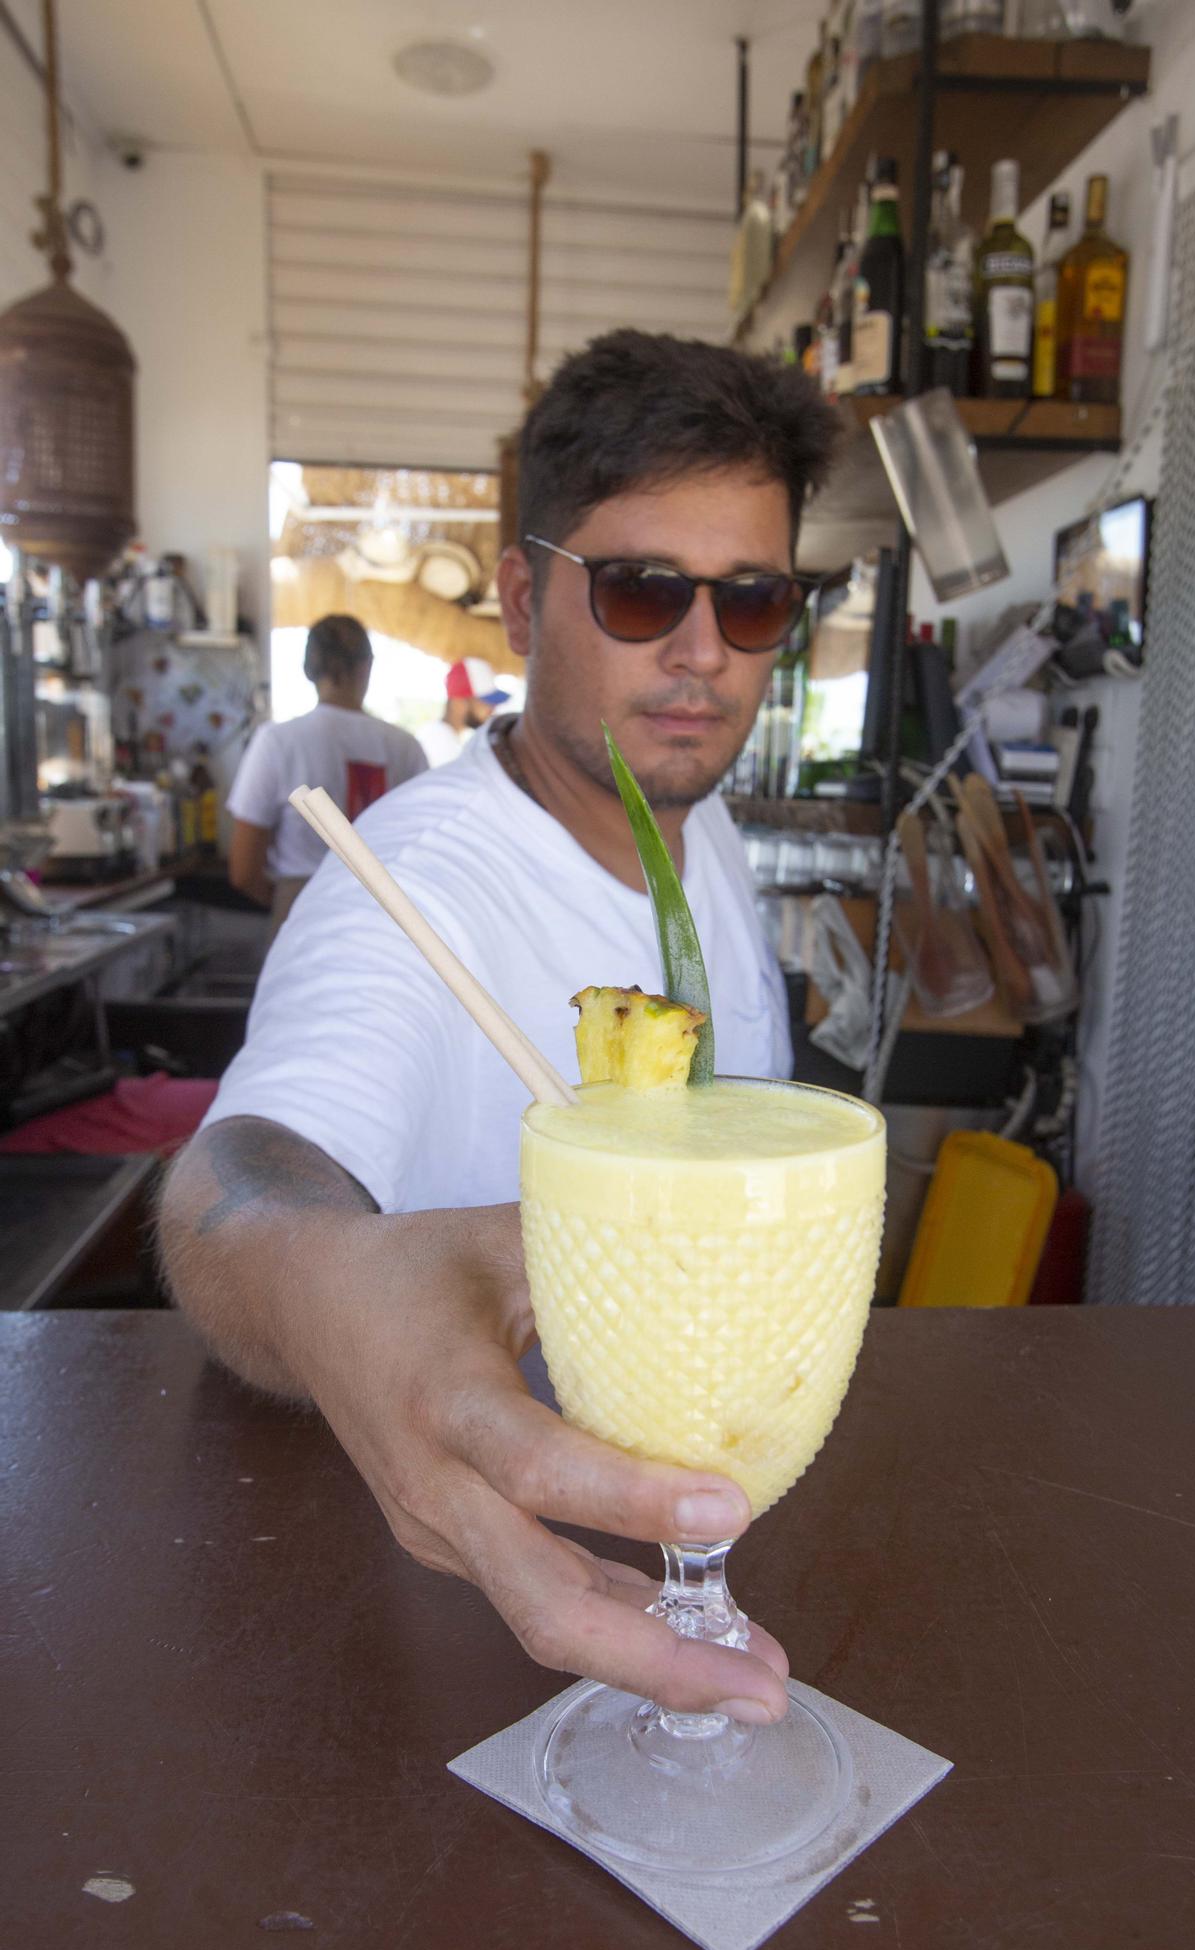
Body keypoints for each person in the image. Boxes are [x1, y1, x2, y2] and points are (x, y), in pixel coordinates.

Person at [160, 330, 836, 1726]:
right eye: (645, 592)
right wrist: (324, 1285)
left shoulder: (696, 840)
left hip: (716, 1540)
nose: (704, 654)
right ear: (525, 599)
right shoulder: (417, 888)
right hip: (462, 1631)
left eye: (753, 601)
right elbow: (237, 1184)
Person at [226, 614, 427, 935]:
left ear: (308, 669)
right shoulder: (406, 748)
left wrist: (291, 906)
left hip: (302, 907)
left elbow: (243, 870)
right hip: (384, 919)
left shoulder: (278, 742)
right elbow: (422, 850)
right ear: (367, 667)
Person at [415, 656, 510, 767]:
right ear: (458, 703)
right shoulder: (438, 741)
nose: (492, 710)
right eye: (485, 703)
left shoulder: (446, 736)